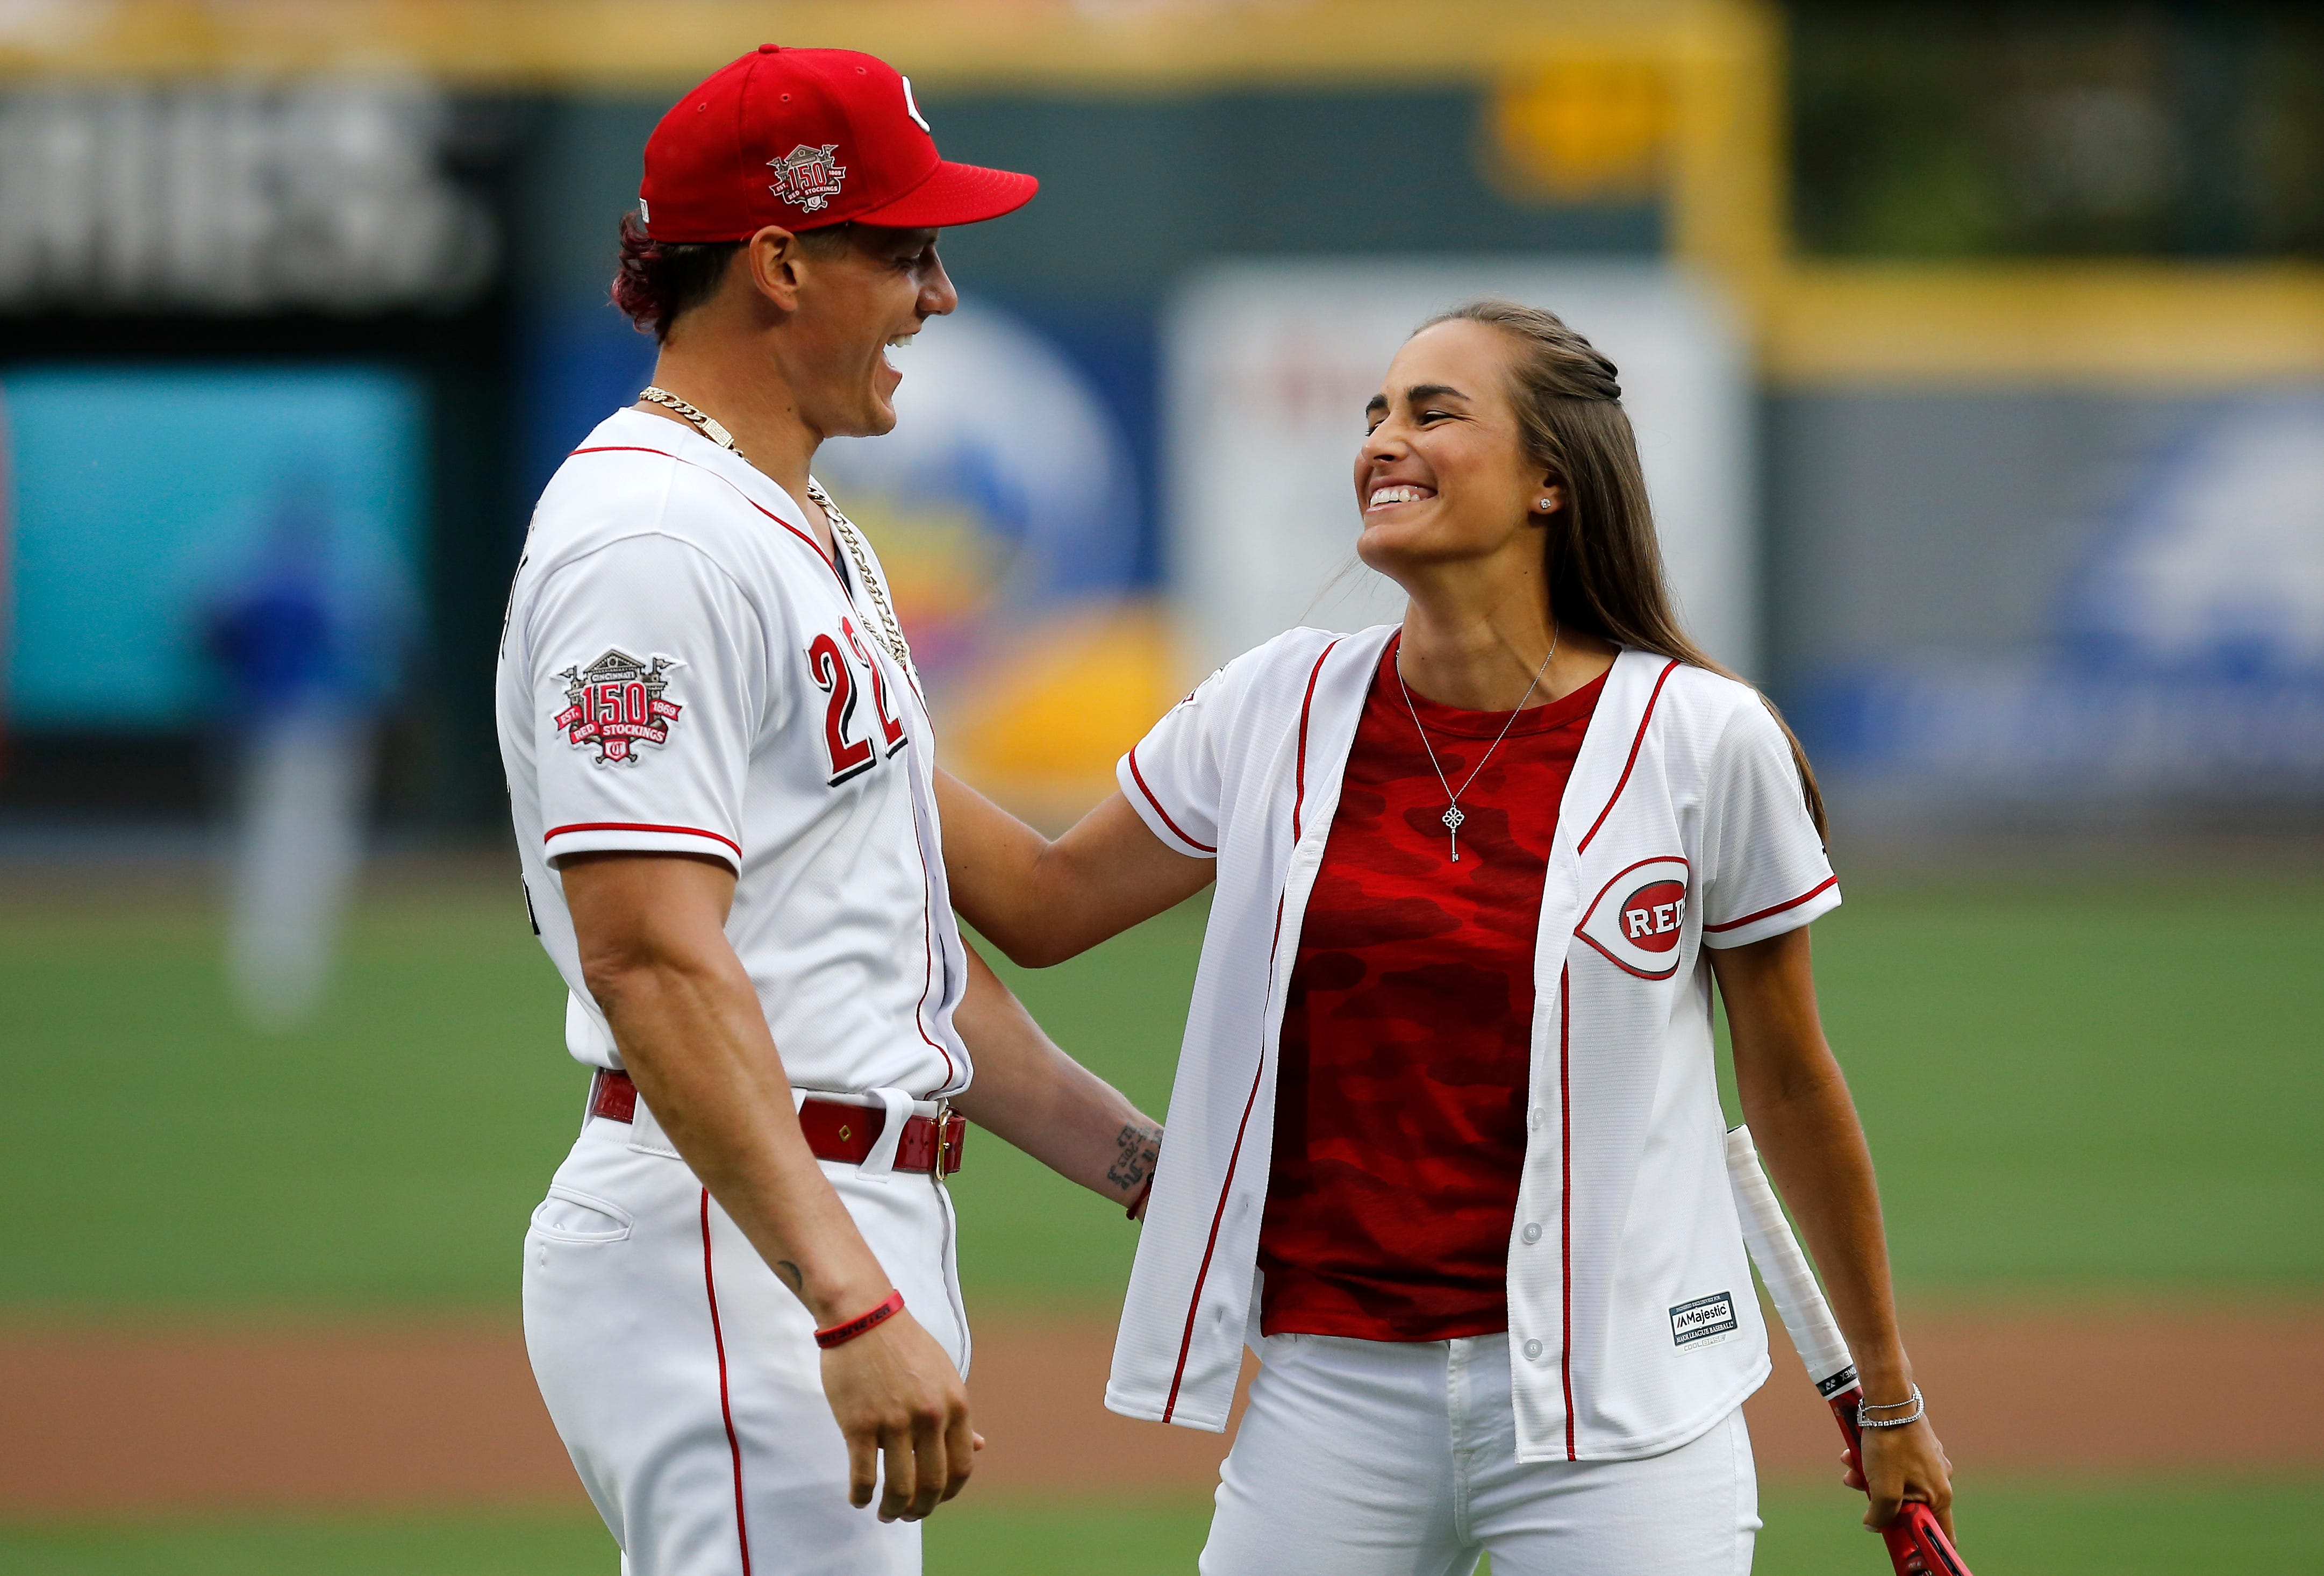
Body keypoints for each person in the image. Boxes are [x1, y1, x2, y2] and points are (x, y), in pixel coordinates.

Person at [938, 301, 1955, 1574]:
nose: (1381, 439)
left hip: (1621, 1414)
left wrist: (1887, 1393)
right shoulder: (1275, 699)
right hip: (1331, 1391)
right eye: (1374, 412)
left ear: (1547, 480)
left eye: (1432, 411)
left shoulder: (1703, 738)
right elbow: (1040, 903)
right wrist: (854, 710)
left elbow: (1792, 1081)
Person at [495, 47, 1161, 1576]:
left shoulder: (797, 532)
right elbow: (651, 957)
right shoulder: (651, 538)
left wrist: (1150, 1171)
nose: (936, 295)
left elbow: (935, 946)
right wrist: (844, 1297)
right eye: (907, 249)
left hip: (800, 1215)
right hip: (738, 1242)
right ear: (782, 261)